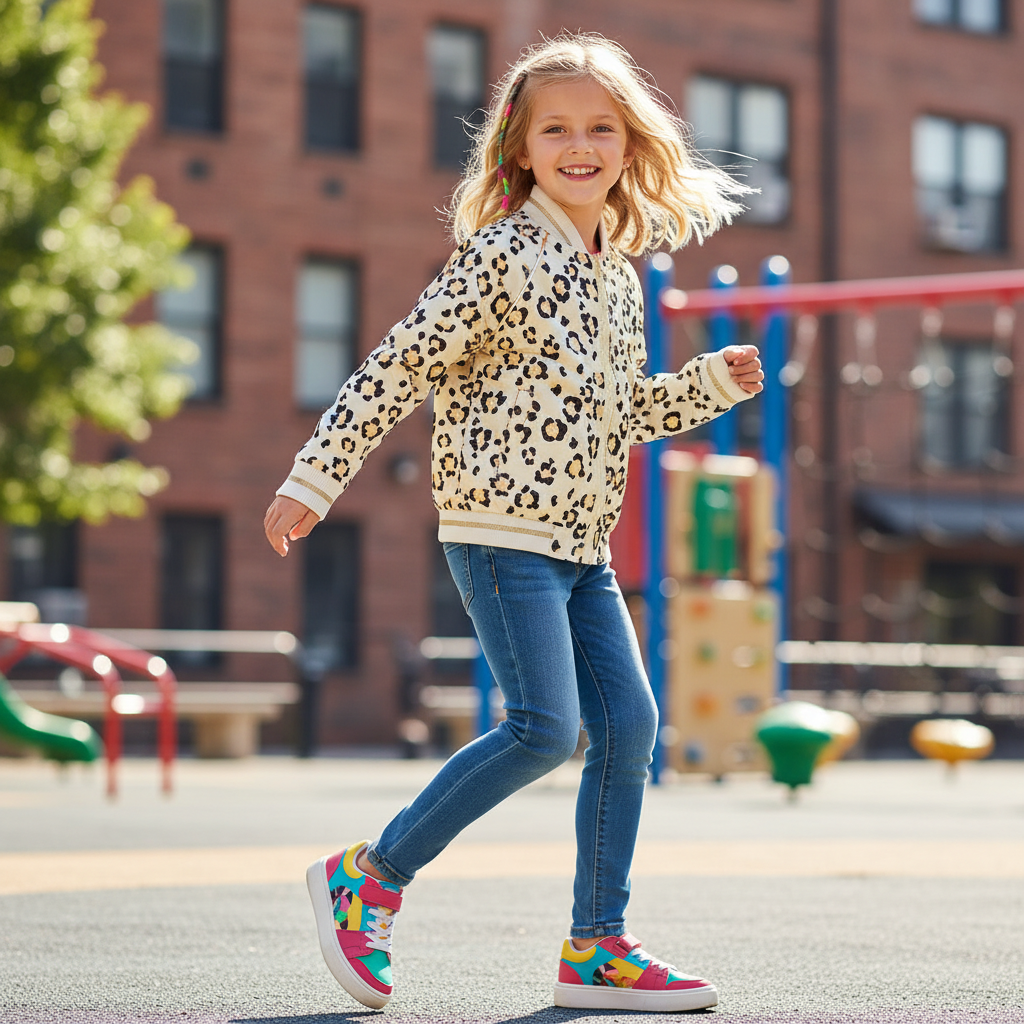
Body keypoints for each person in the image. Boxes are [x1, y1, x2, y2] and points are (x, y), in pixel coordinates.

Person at [264, 32, 763, 1014]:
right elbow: (398, 362)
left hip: (578, 545)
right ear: (521, 150)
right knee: (544, 729)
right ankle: (369, 875)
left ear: (629, 143)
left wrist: (706, 385)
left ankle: (598, 945)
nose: (581, 146)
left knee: (629, 723)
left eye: (600, 128)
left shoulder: (616, 276)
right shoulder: (499, 255)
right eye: (557, 130)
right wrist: (313, 477)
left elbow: (624, 414)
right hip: (498, 532)